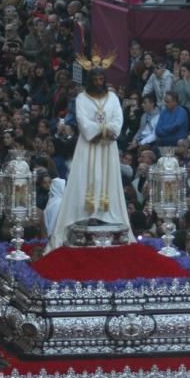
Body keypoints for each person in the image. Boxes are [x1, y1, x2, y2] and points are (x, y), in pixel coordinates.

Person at [49, 67, 134, 250]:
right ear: (90, 80)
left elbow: (118, 118)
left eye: (101, 79)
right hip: (88, 145)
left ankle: (106, 212)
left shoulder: (112, 98)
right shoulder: (81, 98)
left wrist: (109, 130)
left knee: (106, 178)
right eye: (95, 79)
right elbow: (82, 120)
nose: (98, 82)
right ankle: (87, 212)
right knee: (89, 177)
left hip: (107, 146)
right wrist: (99, 131)